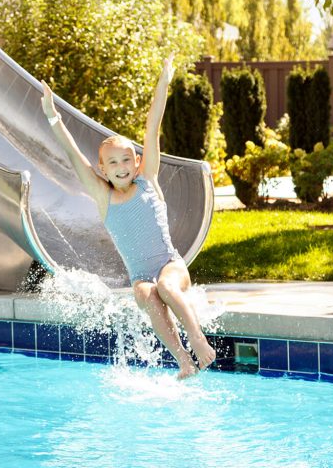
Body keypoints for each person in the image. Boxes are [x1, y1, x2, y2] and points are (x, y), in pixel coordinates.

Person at [41, 54, 216, 378]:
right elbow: (73, 155)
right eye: (113, 163)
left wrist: (164, 80)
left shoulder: (147, 180)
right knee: (147, 293)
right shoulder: (104, 197)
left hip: (170, 265)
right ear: (102, 170)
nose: (121, 168)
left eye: (126, 160)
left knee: (165, 286)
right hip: (140, 276)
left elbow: (153, 127)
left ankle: (197, 337)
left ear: (136, 163)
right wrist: (54, 118)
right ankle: (183, 361)